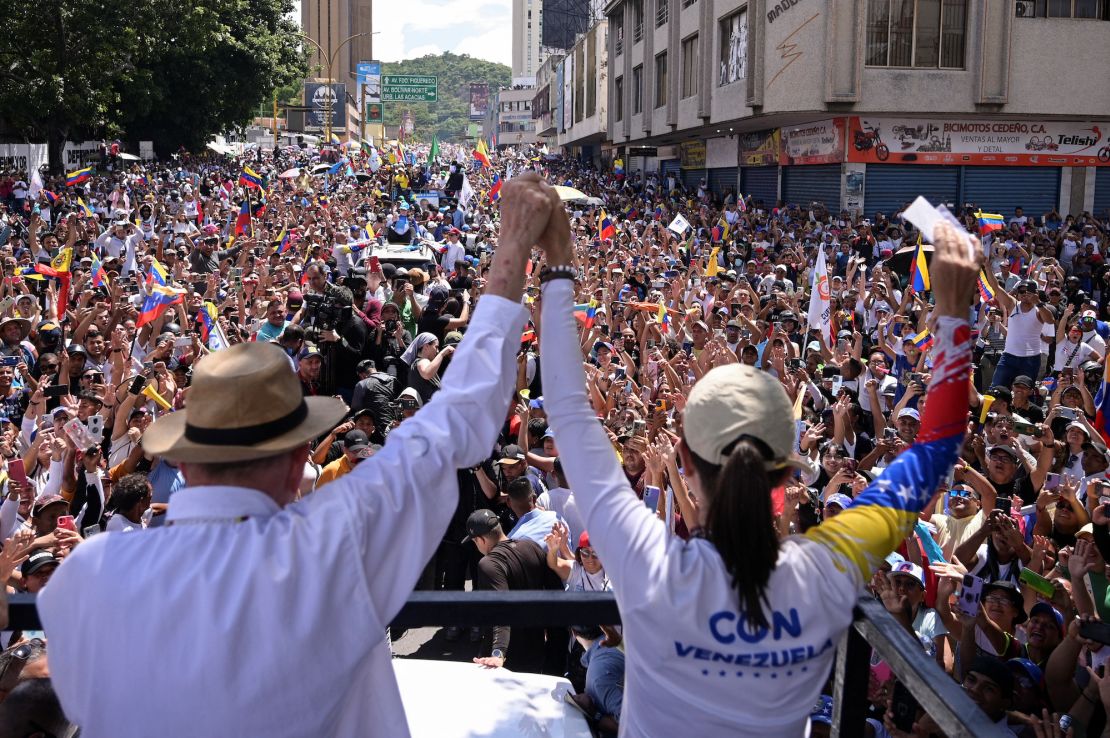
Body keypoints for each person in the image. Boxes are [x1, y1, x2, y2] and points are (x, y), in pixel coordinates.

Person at [36, 174, 554, 737]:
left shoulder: (86, 579)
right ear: (298, 456)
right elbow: (465, 415)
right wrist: (514, 245)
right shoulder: (334, 544)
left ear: (183, 462)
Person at [536, 202, 980, 734]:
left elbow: (565, 407)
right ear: (785, 478)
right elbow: (935, 452)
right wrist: (956, 311)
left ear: (687, 468)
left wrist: (558, 261)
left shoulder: (645, 562)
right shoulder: (824, 570)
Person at [464, 508, 566, 674]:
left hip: (508, 659)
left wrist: (498, 653)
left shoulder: (488, 564)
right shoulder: (532, 546)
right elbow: (555, 592)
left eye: (474, 542)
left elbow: (502, 609)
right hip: (538, 648)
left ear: (481, 540)